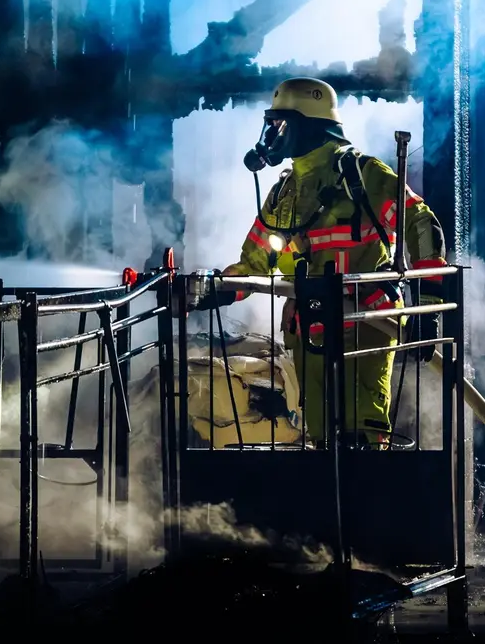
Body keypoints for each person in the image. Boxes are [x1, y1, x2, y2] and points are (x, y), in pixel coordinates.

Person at [192, 77, 448, 447]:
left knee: (361, 433)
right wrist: (209, 291)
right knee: (318, 434)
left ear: (310, 125)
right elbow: (254, 265)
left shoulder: (362, 175)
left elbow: (423, 225)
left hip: (365, 324)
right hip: (308, 329)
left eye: (281, 125)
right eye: (270, 124)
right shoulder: (284, 191)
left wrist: (427, 307)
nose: (272, 135)